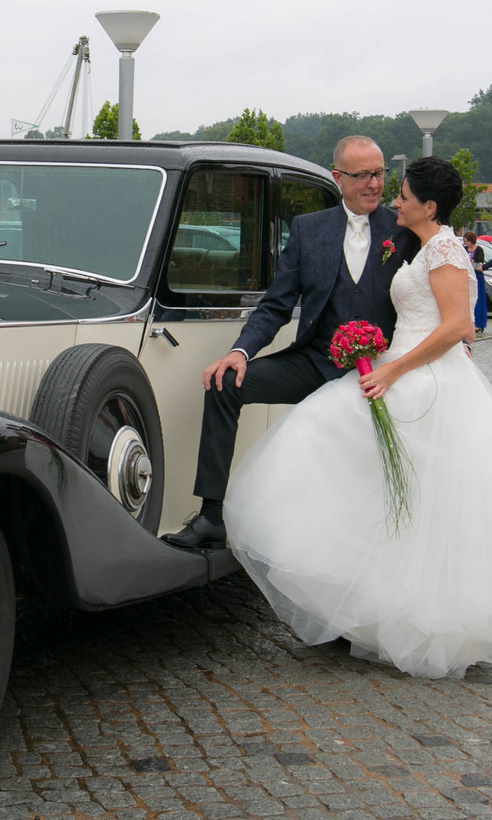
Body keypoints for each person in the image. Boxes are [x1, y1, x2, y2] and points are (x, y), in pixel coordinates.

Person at [225, 156, 492, 678]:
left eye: (402, 193)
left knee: (358, 458)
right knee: (386, 485)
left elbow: (458, 326)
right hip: (399, 367)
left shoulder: (441, 245)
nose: (394, 199)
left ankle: (410, 610)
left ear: (429, 205)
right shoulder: (424, 242)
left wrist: (392, 371)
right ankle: (374, 603)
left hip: (419, 379)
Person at [161, 135, 419, 550]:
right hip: (316, 364)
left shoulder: (404, 230)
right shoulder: (308, 229)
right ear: (338, 178)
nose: (374, 184)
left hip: (383, 370)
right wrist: (239, 352)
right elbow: (276, 304)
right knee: (225, 384)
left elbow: (433, 290)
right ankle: (211, 516)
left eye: (379, 173)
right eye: (363, 175)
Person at [463, 231, 488, 332]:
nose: (466, 244)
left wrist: (474, 262)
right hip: (466, 275)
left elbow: (480, 263)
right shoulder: (464, 249)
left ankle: (478, 323)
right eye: (464, 242)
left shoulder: (479, 250)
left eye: (467, 241)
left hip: (476, 275)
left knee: (478, 298)